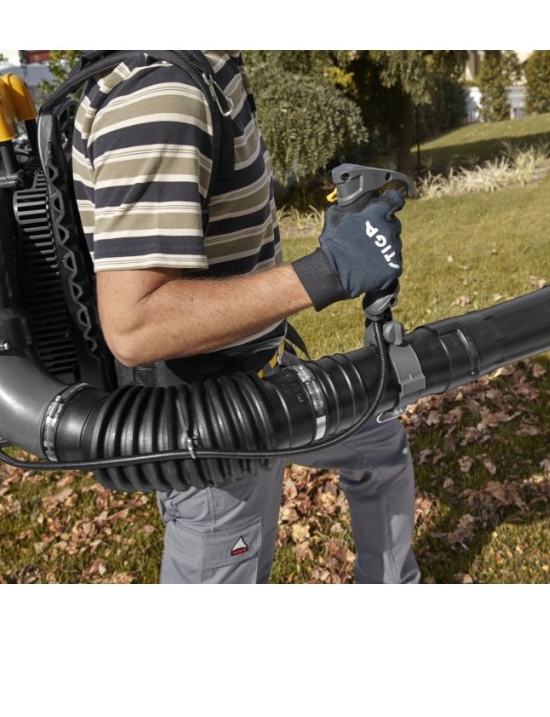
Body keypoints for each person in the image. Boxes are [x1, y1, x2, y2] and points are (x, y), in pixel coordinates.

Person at [71, 50, 420, 584]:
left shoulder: (206, 69)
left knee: (377, 442)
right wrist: (329, 270)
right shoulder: (163, 95)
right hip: (213, 426)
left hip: (265, 376)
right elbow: (136, 325)